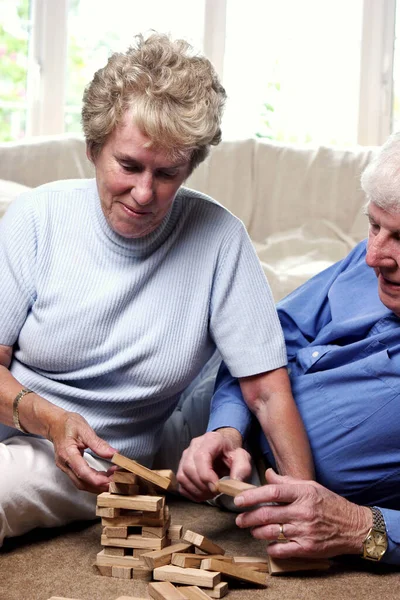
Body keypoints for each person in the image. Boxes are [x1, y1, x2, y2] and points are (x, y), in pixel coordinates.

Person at [0, 32, 313, 547]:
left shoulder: (220, 239)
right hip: (29, 418)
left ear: (190, 166)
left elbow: (267, 391)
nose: (144, 193)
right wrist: (50, 419)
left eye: (167, 173)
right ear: (93, 149)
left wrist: (304, 501)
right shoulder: (38, 218)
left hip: (105, 457)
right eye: (128, 166)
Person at [177, 131, 400, 566]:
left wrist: (361, 526)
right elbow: (266, 337)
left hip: (256, 503)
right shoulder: (364, 261)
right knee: (56, 419)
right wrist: (227, 428)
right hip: (212, 410)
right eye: (374, 225)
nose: (374, 256)